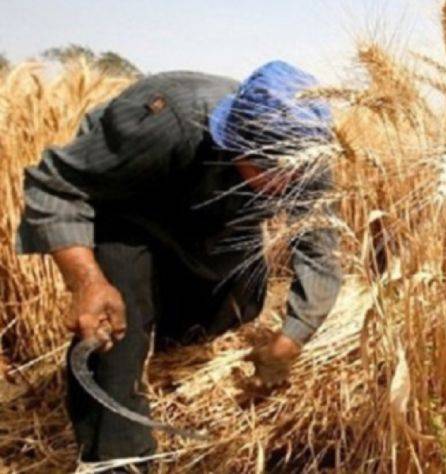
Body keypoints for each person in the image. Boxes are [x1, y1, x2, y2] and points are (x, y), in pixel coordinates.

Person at [15, 61, 343, 464]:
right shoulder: (166, 118)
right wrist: (86, 281)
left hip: (215, 234)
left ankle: (168, 373)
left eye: (292, 174)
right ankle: (119, 460)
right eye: (268, 170)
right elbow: (55, 185)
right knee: (116, 337)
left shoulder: (305, 154)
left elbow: (320, 252)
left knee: (232, 310)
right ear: (235, 141)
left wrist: (292, 338)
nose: (283, 185)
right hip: (132, 222)